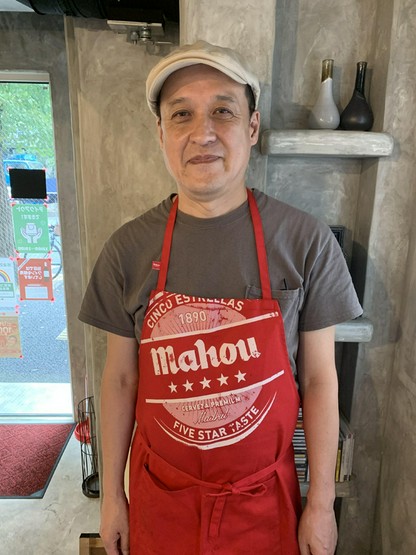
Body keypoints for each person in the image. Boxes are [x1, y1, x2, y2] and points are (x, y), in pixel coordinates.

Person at [79, 40, 362, 555]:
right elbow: (120, 380)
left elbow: (320, 380)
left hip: (265, 504)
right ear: (160, 133)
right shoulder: (127, 249)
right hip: (160, 502)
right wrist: (111, 497)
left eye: (223, 111)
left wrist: (321, 504)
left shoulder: (306, 242)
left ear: (252, 127)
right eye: (181, 114)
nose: (202, 133)